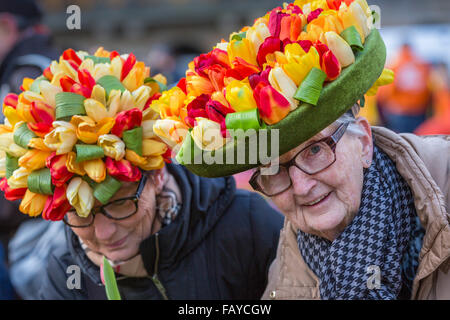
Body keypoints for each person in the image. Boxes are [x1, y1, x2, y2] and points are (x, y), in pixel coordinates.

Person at [148, 0, 450, 300]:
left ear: (364, 143)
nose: (302, 186)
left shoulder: (444, 186)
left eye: (315, 151)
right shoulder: (287, 266)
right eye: (273, 168)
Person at [0, 47, 283, 300]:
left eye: (120, 203)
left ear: (158, 174)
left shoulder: (247, 225)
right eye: (82, 215)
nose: (104, 233)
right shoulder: (64, 271)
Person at [0, 0, 59, 261]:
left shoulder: (25, 77)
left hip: (32, 245)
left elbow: (35, 170)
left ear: (6, 26)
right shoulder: (46, 63)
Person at [377, 43, 432, 133]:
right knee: (417, 139)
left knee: (401, 141)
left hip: (398, 112)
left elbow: (384, 93)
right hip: (418, 111)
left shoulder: (395, 66)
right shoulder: (421, 66)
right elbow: (429, 90)